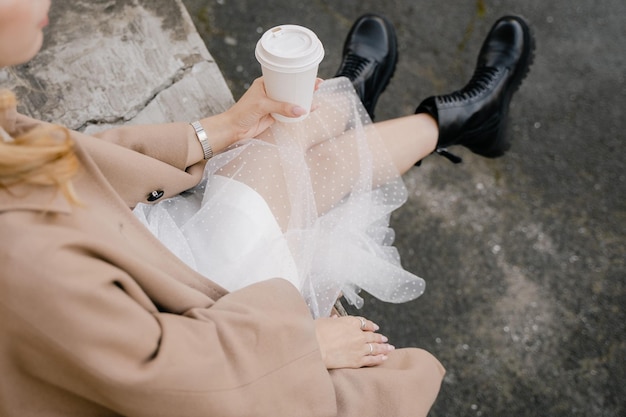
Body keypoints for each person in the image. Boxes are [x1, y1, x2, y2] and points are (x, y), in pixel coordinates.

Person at [0, 1, 533, 416]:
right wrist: (301, 345)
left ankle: (389, 111)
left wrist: (216, 130)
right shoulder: (22, 262)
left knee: (264, 152)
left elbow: (65, 159)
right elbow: (166, 379)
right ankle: (416, 115)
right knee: (274, 156)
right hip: (199, 356)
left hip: (134, 273)